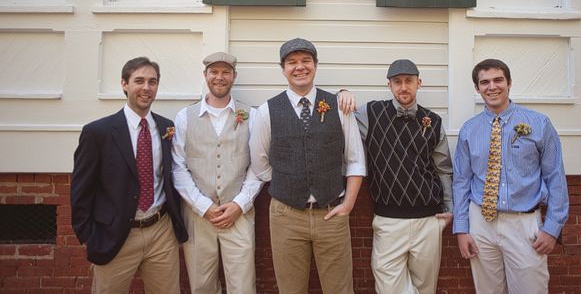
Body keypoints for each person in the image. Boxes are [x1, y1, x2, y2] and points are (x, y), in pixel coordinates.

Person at [249, 38, 366, 294]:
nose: (299, 67)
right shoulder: (267, 111)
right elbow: (259, 162)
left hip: (332, 213)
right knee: (290, 289)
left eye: (306, 61)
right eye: (292, 62)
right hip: (286, 216)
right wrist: (288, 182)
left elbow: (355, 160)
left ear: (315, 65)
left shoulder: (338, 106)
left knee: (340, 289)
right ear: (283, 69)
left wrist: (348, 205)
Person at [71, 57, 188, 294]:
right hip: (115, 235)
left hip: (160, 231)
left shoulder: (166, 128)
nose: (146, 88)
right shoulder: (98, 132)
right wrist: (90, 236)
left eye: (152, 82)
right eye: (139, 81)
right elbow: (81, 188)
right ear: (124, 84)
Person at [452, 58, 569, 294]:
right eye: (484, 82)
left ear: (509, 83)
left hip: (523, 223)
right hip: (481, 223)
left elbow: (555, 177)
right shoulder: (469, 130)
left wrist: (552, 227)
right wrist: (462, 229)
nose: (492, 87)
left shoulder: (539, 124)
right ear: (477, 88)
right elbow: (461, 181)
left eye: (498, 80)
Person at [348, 59, 453, 294]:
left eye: (409, 81)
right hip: (388, 220)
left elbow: (443, 168)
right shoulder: (371, 113)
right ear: (389, 85)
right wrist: (342, 94)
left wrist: (449, 208)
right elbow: (342, 119)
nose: (403, 87)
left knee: (425, 288)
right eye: (397, 82)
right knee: (389, 287)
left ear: (419, 83)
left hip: (428, 219)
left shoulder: (433, 121)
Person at [172, 52, 263, 294]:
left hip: (239, 213)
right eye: (214, 72)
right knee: (201, 285)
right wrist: (203, 206)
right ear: (205, 75)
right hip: (198, 215)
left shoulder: (251, 115)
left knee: (243, 286)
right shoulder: (184, 117)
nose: (219, 77)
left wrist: (239, 204)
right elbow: (178, 167)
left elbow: (258, 166)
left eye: (225, 72)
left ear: (234, 76)